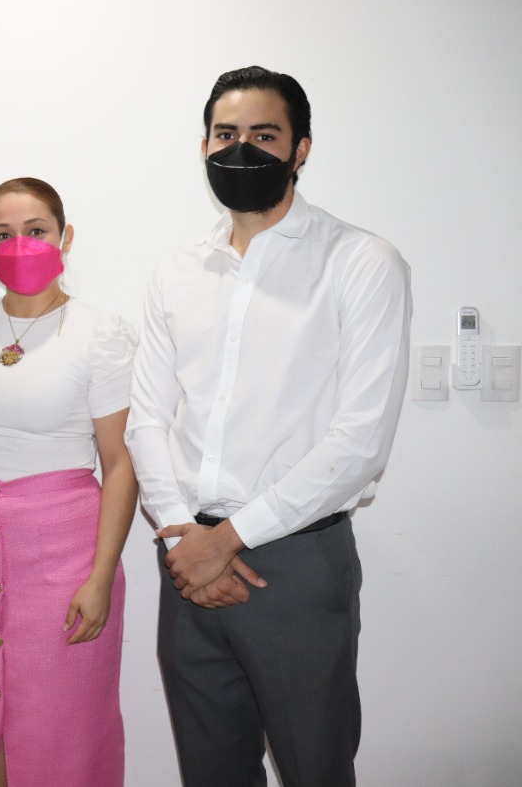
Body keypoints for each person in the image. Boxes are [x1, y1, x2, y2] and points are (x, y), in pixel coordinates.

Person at [125, 66, 412, 786]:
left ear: (300, 149)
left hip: (295, 562)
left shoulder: (360, 262)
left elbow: (359, 444)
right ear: (203, 145)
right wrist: (183, 540)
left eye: (263, 135)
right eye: (225, 134)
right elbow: (147, 419)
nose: (240, 149)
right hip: (185, 557)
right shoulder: (176, 272)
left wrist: (225, 541)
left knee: (316, 768)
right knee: (211, 772)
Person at [0, 178, 139, 786]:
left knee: (58, 728)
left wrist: (100, 577)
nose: (19, 244)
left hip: (64, 562)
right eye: (3, 234)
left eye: (36, 230)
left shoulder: (99, 333)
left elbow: (120, 464)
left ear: (65, 237)